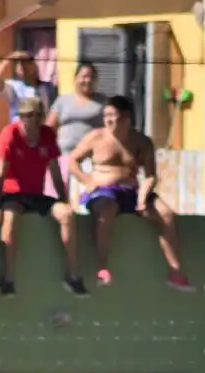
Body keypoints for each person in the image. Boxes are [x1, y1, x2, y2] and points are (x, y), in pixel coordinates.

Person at [68, 95, 190, 291]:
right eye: (105, 115)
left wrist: (143, 197)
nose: (107, 120)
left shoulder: (141, 141)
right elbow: (72, 161)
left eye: (112, 115)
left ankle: (175, 271)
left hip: (132, 190)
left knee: (165, 214)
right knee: (106, 210)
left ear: (126, 117)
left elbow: (150, 175)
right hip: (104, 191)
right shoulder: (95, 137)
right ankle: (102, 267)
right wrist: (87, 180)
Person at [0, 97, 83, 297]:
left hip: (37, 194)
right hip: (13, 193)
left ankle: (73, 275)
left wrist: (63, 199)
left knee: (67, 215)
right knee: (10, 220)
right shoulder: (10, 134)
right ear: (21, 117)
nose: (32, 121)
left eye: (36, 116)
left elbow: (55, 171)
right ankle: (8, 278)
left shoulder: (47, 135)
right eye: (27, 116)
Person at [47, 62, 105, 157]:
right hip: (63, 155)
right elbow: (49, 128)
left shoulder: (103, 102)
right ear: (75, 78)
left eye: (92, 77)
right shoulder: (62, 100)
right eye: (84, 76)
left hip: (91, 157)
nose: (88, 80)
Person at [0, 50, 56, 122]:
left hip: (41, 130)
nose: (21, 66)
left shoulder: (47, 87)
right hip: (20, 130)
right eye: (17, 63)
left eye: (25, 62)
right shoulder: (13, 86)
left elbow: (53, 111)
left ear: (35, 65)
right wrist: (7, 59)